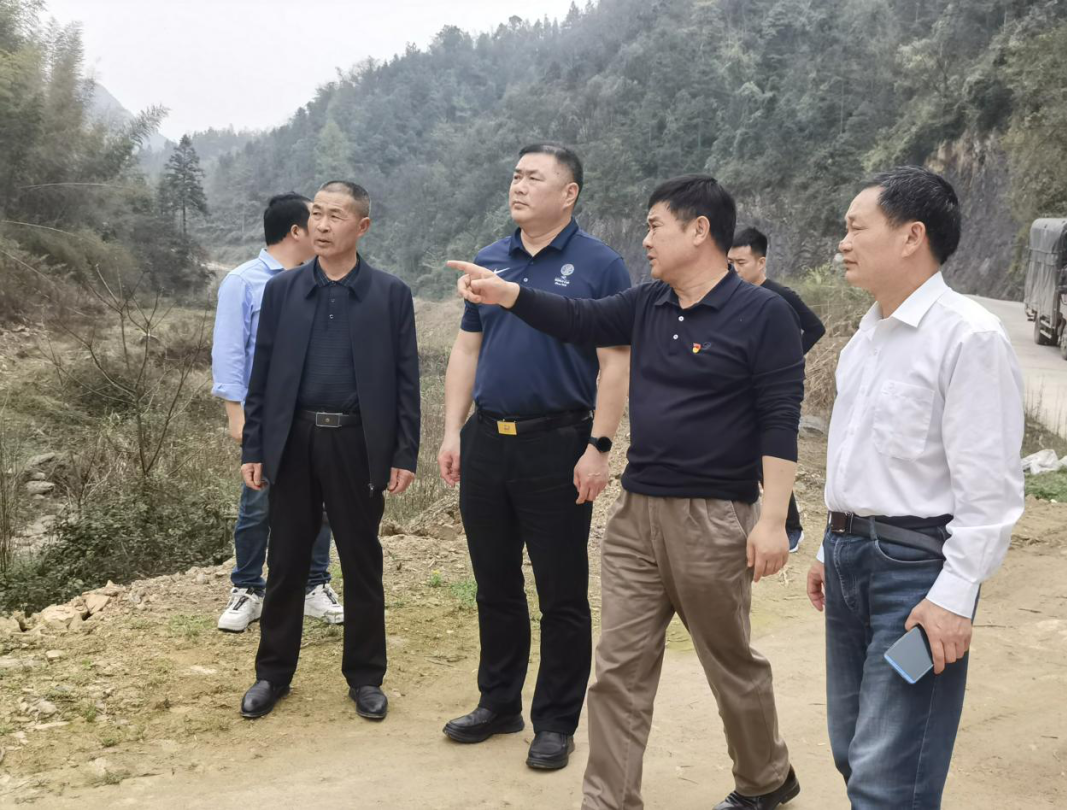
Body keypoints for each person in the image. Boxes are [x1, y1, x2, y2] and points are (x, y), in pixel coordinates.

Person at [451, 174, 804, 810]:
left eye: (654, 226)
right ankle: (609, 800)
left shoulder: (762, 313)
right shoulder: (648, 303)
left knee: (729, 663)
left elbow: (780, 418)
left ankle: (765, 779)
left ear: (699, 231)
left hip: (714, 517)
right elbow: (577, 317)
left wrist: (773, 518)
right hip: (636, 513)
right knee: (618, 670)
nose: (645, 239)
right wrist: (507, 294)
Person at [805, 166, 1024, 808]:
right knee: (851, 749)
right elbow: (857, 455)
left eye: (856, 228)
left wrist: (955, 596)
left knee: (889, 775)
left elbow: (989, 487)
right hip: (849, 559)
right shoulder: (865, 338)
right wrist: (827, 546)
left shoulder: (968, 335)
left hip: (915, 572)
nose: (843, 242)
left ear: (911, 236)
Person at [437, 143, 632, 771]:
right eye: (516, 175)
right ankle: (498, 703)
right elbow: (467, 349)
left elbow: (615, 363)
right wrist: (452, 431)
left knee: (561, 592)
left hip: (560, 444)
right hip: (488, 441)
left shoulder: (600, 264)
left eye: (534, 178)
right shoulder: (491, 258)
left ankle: (555, 721)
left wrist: (599, 446)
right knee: (494, 583)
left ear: (569, 194)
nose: (518, 186)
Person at [238, 180, 420, 721]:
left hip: (357, 442)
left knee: (362, 561)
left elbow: (406, 381)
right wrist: (255, 446)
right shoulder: (283, 290)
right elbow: (262, 376)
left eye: (335, 215)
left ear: (361, 227)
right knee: (286, 560)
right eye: (316, 213)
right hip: (293, 441)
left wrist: (403, 453)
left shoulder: (390, 295)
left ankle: (365, 677)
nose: (320, 224)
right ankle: (272, 674)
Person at [210, 193, 342, 632]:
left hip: (316, 413)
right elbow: (229, 351)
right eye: (315, 219)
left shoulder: (321, 278)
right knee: (259, 502)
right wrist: (236, 413)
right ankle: (248, 588)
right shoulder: (244, 281)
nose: (324, 227)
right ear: (296, 231)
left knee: (321, 502)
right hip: (267, 414)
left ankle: (314, 585)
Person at [729, 226, 825, 553]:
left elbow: (815, 328)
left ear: (761, 262)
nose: (734, 269)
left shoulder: (780, 296)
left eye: (741, 263)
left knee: (768, 457)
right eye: (730, 262)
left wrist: (787, 359)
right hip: (741, 389)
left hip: (771, 392)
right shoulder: (731, 295)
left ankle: (791, 527)